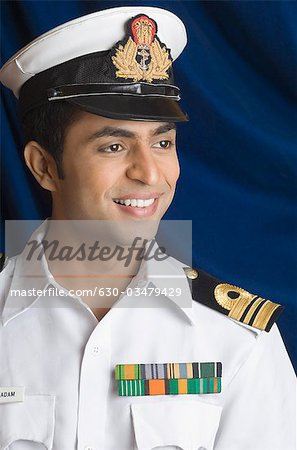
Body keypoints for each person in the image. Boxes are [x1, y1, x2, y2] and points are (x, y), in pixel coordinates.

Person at [0, 6, 295, 450]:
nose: (149, 173)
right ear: (44, 166)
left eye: (162, 142)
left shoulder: (238, 342)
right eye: (114, 146)